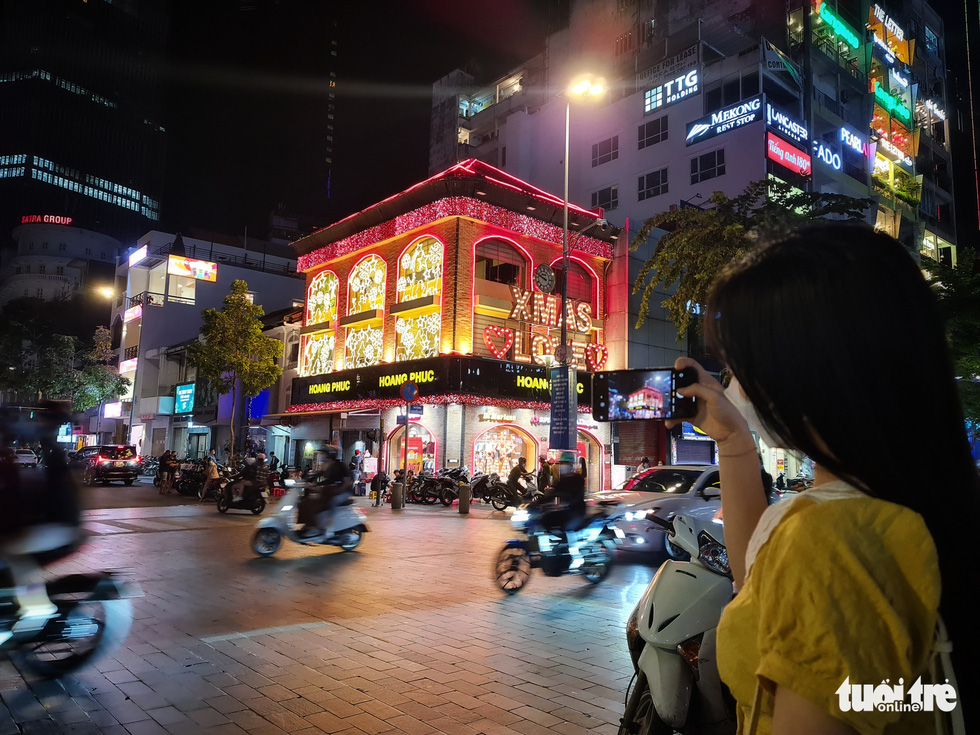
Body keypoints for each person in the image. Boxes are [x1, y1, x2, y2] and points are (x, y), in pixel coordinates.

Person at [669, 224, 974, 733]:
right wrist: (735, 443)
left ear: (811, 371)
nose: (736, 386)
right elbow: (761, 589)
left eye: (746, 366)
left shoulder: (826, 538)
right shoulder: (896, 505)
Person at [301, 446, 352, 538]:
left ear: (329, 455)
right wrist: (306, 481)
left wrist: (337, 490)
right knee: (309, 501)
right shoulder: (327, 465)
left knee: (332, 501)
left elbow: (346, 482)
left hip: (343, 493)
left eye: (324, 455)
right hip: (331, 490)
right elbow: (318, 475)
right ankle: (311, 525)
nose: (322, 457)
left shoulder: (340, 465)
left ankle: (330, 527)